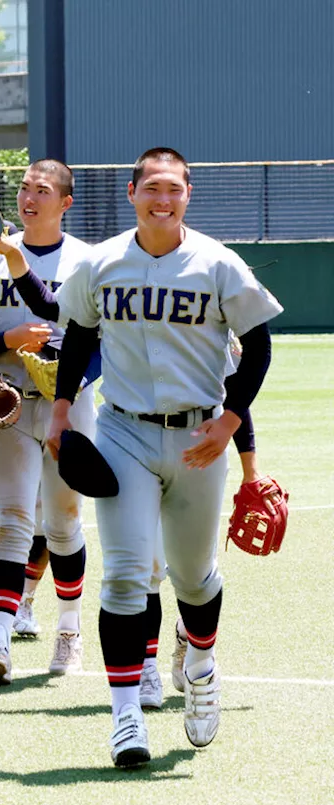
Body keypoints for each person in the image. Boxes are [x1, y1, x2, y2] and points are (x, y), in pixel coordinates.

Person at [48, 147, 282, 768]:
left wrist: (231, 421)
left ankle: (201, 664)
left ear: (188, 195)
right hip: (123, 432)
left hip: (197, 440)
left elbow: (257, 346)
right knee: (125, 574)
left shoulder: (217, 263)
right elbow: (77, 335)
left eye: (173, 189)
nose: (163, 198)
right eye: (152, 187)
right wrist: (62, 408)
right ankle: (126, 718)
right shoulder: (102, 263)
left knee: (193, 574)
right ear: (131, 193)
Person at [0, 160, 96, 683]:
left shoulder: (86, 260)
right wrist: (6, 342)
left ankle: (70, 631)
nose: (30, 197)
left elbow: (93, 340)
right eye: (24, 188)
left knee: (61, 521)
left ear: (65, 203)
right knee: (11, 522)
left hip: (70, 402)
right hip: (7, 400)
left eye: (43, 190)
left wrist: (69, 384)